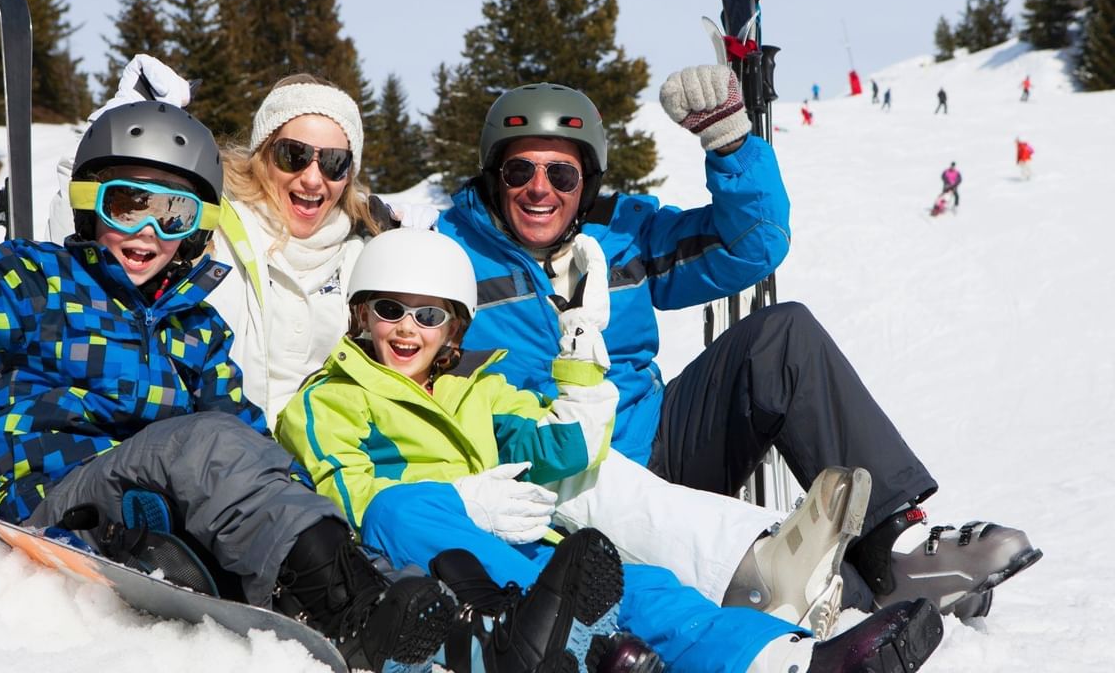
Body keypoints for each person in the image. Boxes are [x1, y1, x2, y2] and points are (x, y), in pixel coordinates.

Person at [0, 49, 454, 672]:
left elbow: (251, 451)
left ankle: (412, 610)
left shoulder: (197, 327)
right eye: (126, 205)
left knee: (250, 459)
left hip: (153, 513)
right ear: (88, 203)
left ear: (195, 228)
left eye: (174, 214)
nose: (148, 231)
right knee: (207, 442)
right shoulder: (38, 284)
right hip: (54, 500)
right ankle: (354, 611)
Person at [432, 67, 1041, 623]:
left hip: (655, 447)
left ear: (586, 179)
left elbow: (753, 245)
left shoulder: (624, 233)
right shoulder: (448, 255)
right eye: (520, 170)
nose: (540, 189)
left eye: (561, 172)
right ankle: (790, 580)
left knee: (781, 337)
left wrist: (729, 143)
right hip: (549, 473)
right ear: (493, 175)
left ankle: (891, 551)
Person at [279, 228, 945, 673]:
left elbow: (562, 453)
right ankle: (564, 632)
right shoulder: (327, 398)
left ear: (454, 328)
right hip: (418, 557)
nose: (406, 329)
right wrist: (459, 498)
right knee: (400, 509)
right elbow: (346, 495)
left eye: (429, 316)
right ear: (361, 314)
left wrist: (578, 357)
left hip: (516, 549)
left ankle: (790, 660)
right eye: (390, 309)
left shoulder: (480, 390)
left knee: (644, 586)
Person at [47, 55, 396, 418]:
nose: (312, 178)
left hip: (329, 463)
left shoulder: (364, 251)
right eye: (294, 155)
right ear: (262, 153)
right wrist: (105, 146)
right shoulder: (204, 225)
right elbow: (83, 264)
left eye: (334, 162)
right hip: (219, 458)